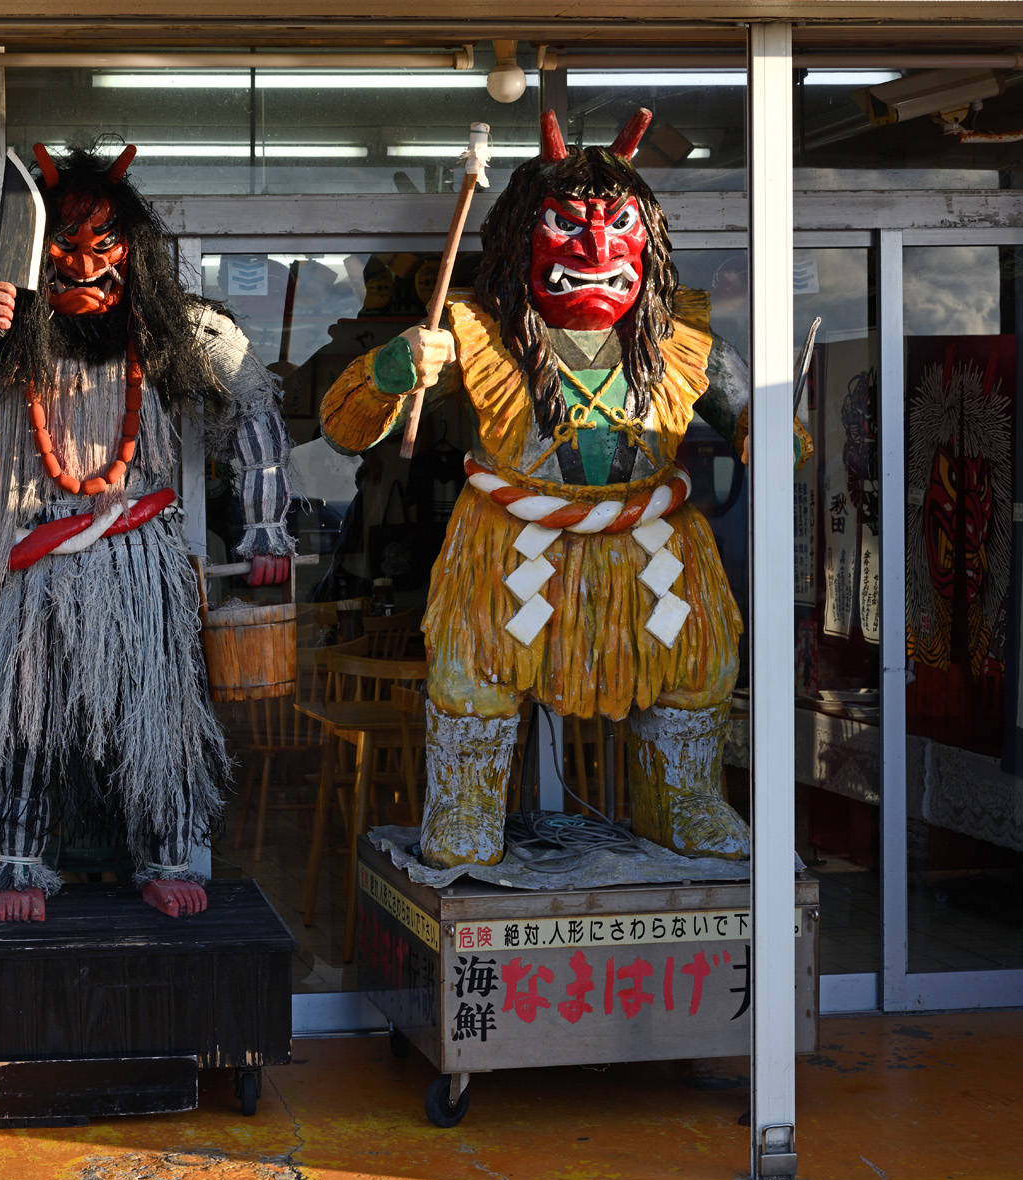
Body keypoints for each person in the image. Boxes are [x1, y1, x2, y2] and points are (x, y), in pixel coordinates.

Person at [317, 110, 810, 869]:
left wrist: (774, 436)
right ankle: (466, 803)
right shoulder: (475, 335)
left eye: (619, 227)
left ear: (649, 240)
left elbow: (766, 428)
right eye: (566, 226)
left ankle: (683, 800)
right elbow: (344, 430)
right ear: (521, 236)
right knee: (475, 671)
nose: (596, 250)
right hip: (511, 548)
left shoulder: (684, 341)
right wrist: (390, 372)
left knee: (696, 666)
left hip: (654, 549)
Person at [0, 143, 296, 920]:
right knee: (24, 714)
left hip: (137, 554)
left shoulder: (174, 327)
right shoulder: (8, 324)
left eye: (103, 244)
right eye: (63, 247)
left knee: (157, 711)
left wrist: (266, 528)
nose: (82, 265)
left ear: (133, 248)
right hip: (30, 558)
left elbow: (255, 400)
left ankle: (167, 856)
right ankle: (19, 863)